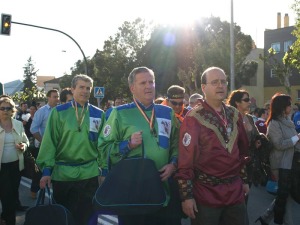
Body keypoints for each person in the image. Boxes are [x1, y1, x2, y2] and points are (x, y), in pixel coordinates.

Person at [98, 66, 179, 225]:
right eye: (143, 83)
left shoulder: (167, 112)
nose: (149, 86)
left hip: (163, 188)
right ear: (132, 88)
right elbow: (103, 148)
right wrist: (127, 145)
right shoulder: (119, 113)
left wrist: (173, 164)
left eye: (151, 82)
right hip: (132, 192)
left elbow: (176, 143)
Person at [175, 67, 250, 225]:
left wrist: (244, 180)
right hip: (205, 194)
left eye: (223, 82)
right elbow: (185, 161)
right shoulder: (194, 118)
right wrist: (186, 197)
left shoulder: (234, 114)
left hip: (235, 192)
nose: (220, 86)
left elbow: (242, 151)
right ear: (204, 87)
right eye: (215, 82)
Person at [37, 74, 105, 225]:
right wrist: (47, 170)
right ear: (73, 89)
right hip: (63, 174)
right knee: (64, 218)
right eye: (81, 87)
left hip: (89, 174)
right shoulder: (58, 112)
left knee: (88, 217)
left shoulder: (99, 114)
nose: (85, 91)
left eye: (88, 88)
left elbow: (103, 145)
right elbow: (50, 142)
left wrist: (104, 170)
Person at [256, 93, 300, 225]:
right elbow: (280, 144)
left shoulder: (288, 121)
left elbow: (294, 143)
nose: (291, 107)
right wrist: (297, 138)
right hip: (281, 164)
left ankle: (265, 217)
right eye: (289, 104)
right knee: (284, 196)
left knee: (285, 194)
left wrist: (297, 139)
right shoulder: (274, 124)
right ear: (282, 107)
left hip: (291, 162)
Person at [0, 95, 29, 225]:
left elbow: (26, 141)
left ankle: (5, 217)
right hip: (2, 167)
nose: (5, 110)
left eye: (9, 108)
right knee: (7, 196)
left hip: (16, 165)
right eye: (2, 108)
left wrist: (24, 146)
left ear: (13, 110)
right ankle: (10, 220)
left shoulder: (17, 124)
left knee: (12, 193)